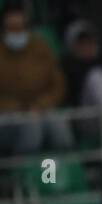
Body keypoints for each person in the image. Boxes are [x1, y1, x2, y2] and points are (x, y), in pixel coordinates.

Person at [0, 5, 73, 154]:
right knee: (31, 126)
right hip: (7, 115)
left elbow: (58, 84)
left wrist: (40, 105)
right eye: (12, 28)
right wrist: (19, 108)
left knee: (58, 123)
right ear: (4, 29)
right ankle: (23, 171)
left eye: (20, 28)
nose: (16, 32)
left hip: (40, 108)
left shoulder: (41, 48)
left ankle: (63, 170)